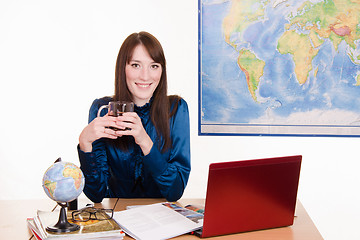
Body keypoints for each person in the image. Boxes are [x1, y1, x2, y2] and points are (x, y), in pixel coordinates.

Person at [77, 31, 191, 203]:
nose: (145, 76)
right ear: (123, 68)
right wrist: (85, 143)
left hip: (162, 221)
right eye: (136, 65)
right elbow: (96, 194)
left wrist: (144, 140)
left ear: (162, 71)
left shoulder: (176, 109)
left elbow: (175, 191)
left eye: (154, 66)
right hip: (118, 219)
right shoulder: (102, 109)